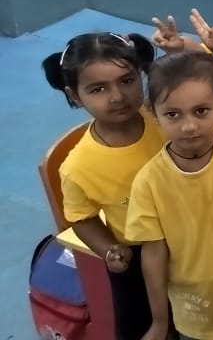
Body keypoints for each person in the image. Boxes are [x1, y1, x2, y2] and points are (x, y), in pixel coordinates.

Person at [43, 32, 163, 339]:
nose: (118, 96)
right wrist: (109, 248)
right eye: (98, 88)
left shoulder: (165, 118)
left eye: (127, 80)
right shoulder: (78, 167)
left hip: (195, 241)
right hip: (137, 257)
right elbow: (82, 217)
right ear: (74, 95)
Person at [126, 52, 213, 340]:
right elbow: (153, 256)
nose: (189, 126)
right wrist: (159, 322)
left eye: (201, 111)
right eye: (173, 115)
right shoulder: (148, 183)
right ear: (154, 114)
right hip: (196, 309)